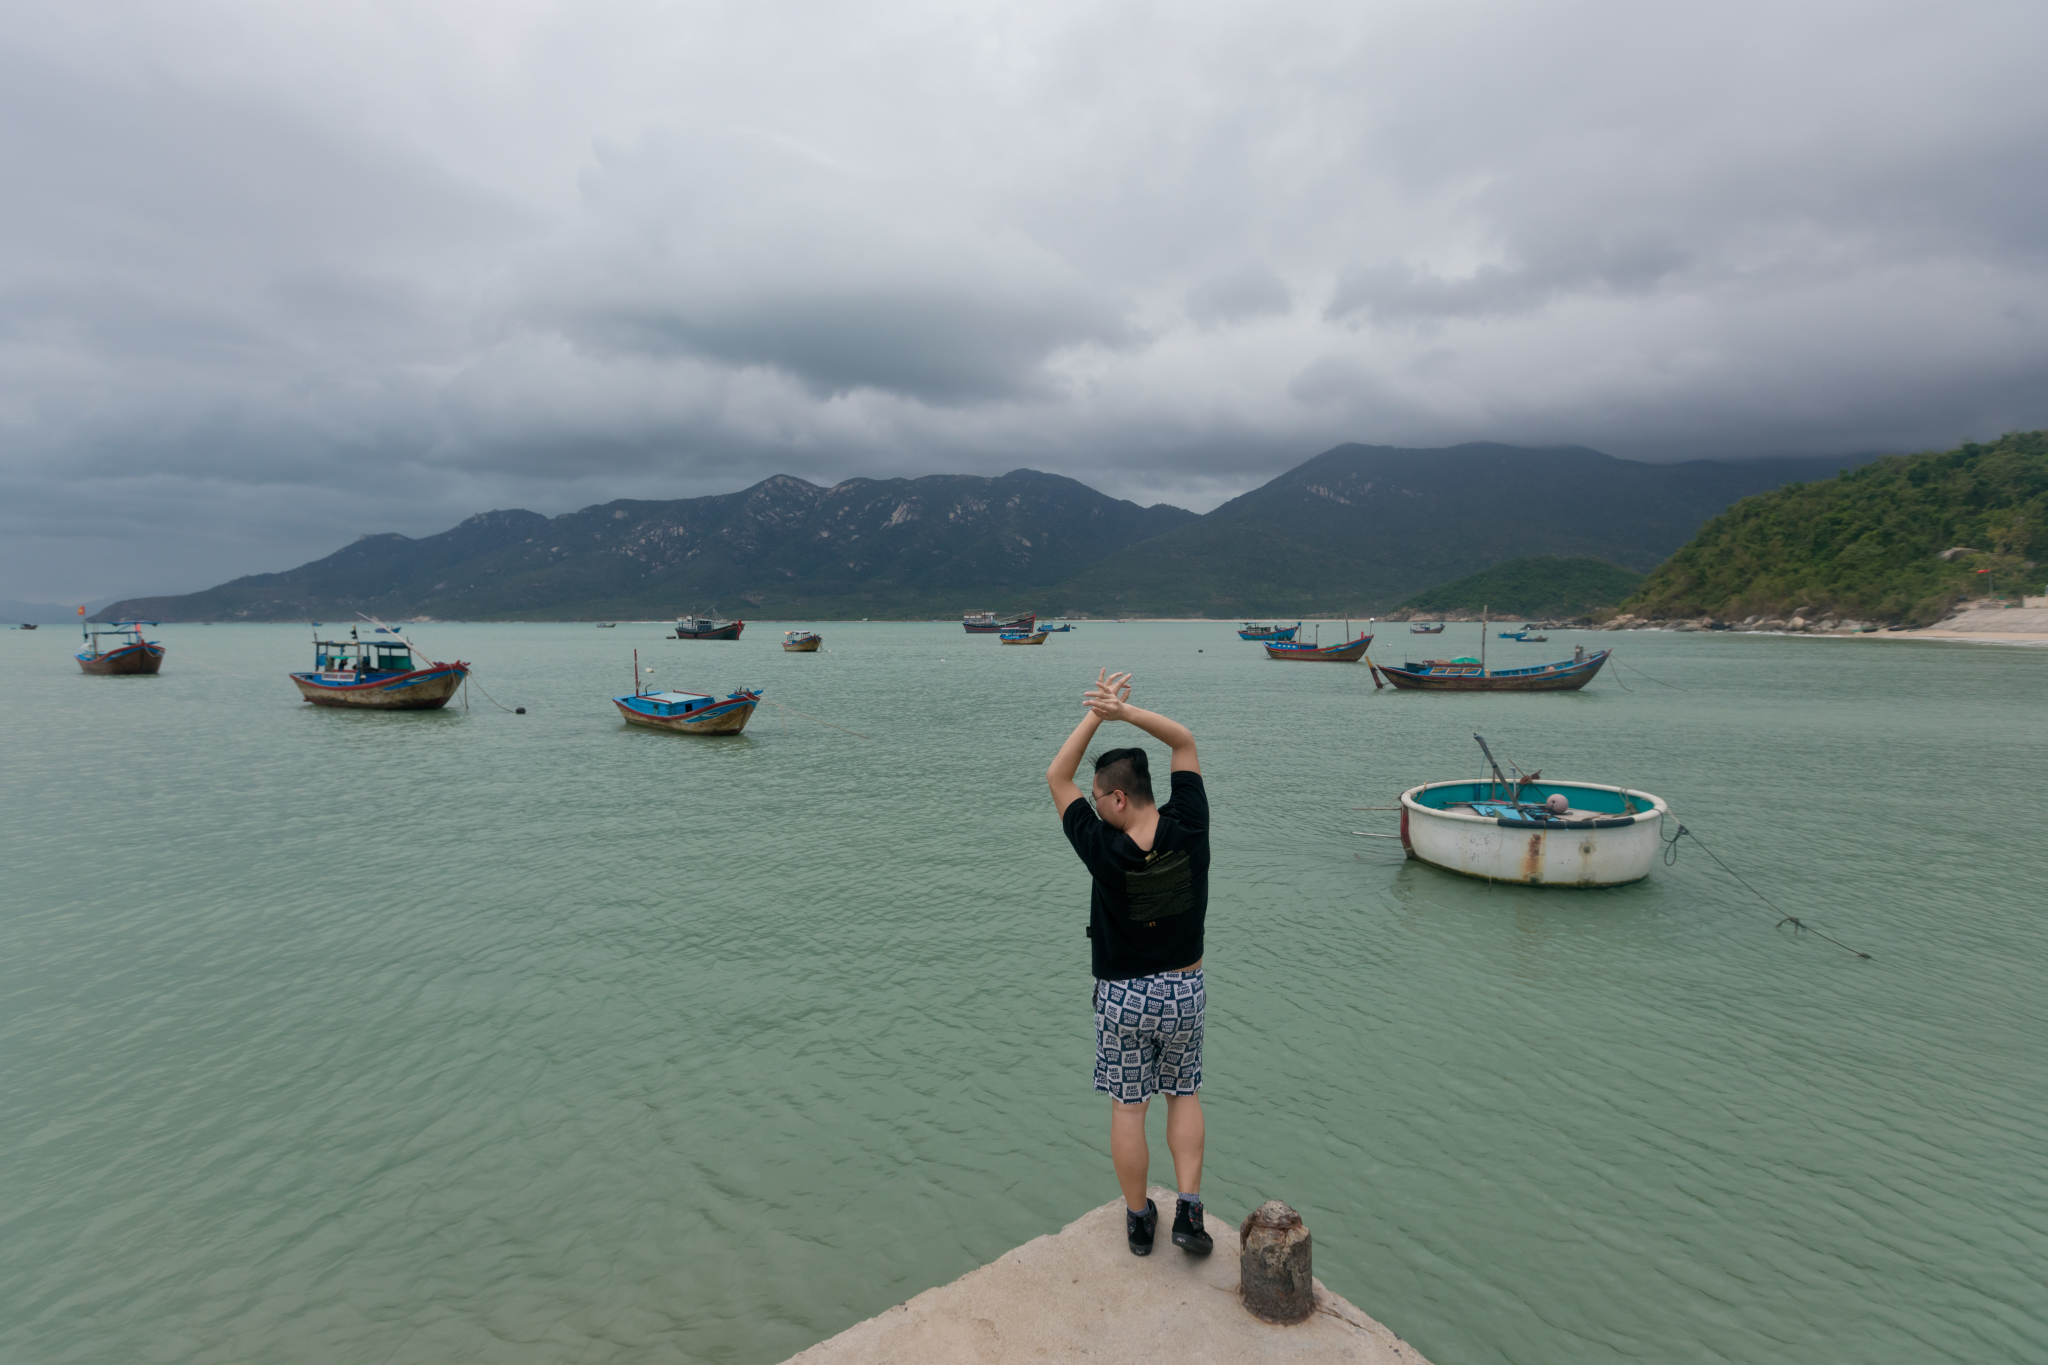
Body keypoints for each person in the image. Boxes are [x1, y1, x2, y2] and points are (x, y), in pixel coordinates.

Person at [1046, 669, 1213, 1258]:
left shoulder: (1103, 849)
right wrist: (1126, 714)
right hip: (1184, 992)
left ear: (1117, 798)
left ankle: (1141, 1223)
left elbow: (1055, 775)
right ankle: (1189, 1214)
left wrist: (1096, 713)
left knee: (1128, 1106)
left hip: (1122, 999)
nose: (1092, 804)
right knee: (1184, 1095)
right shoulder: (1191, 826)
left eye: (1098, 798)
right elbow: (1184, 742)